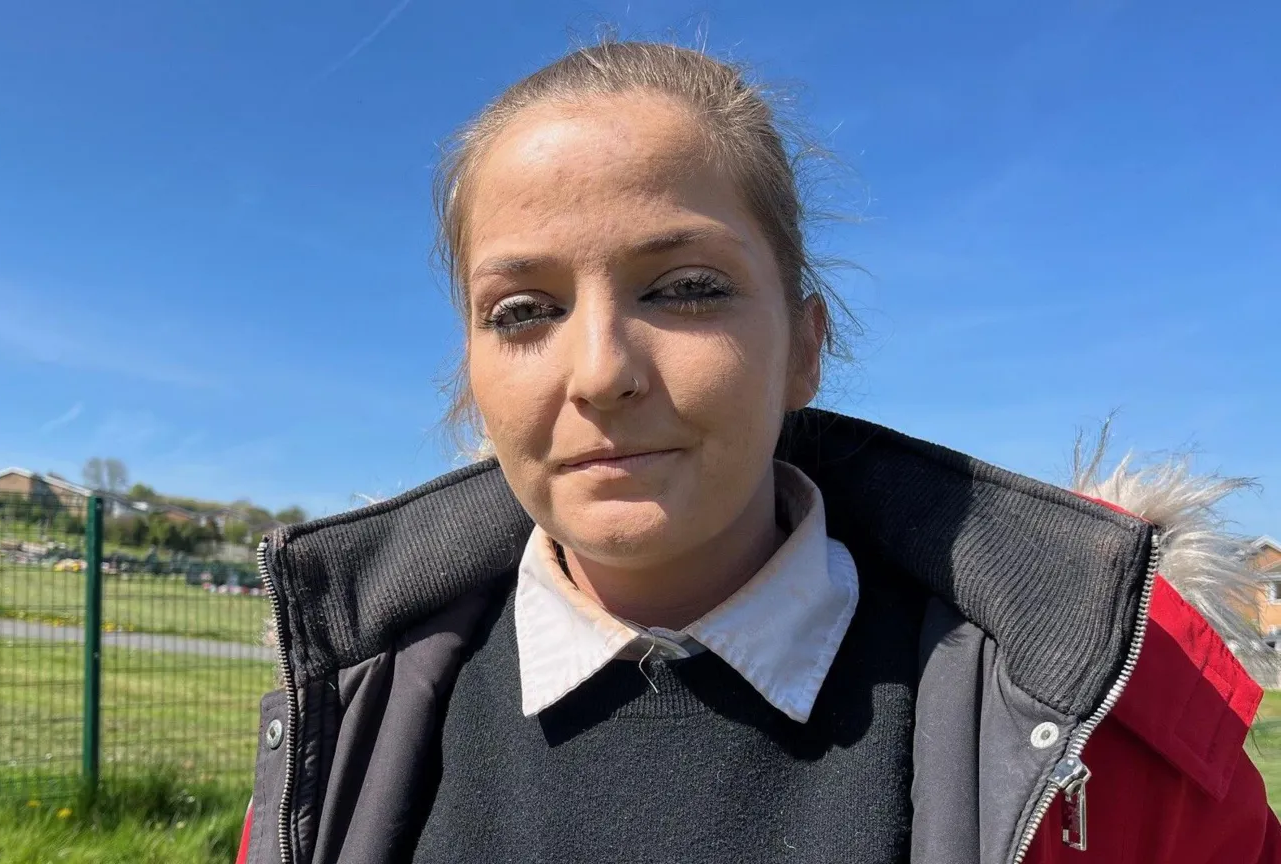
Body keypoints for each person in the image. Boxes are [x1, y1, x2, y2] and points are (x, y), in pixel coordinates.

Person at [236, 40, 1279, 864]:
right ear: (471, 374)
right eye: (523, 310)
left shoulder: (1102, 733)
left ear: (806, 347)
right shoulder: (347, 721)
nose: (598, 371)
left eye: (685, 288)